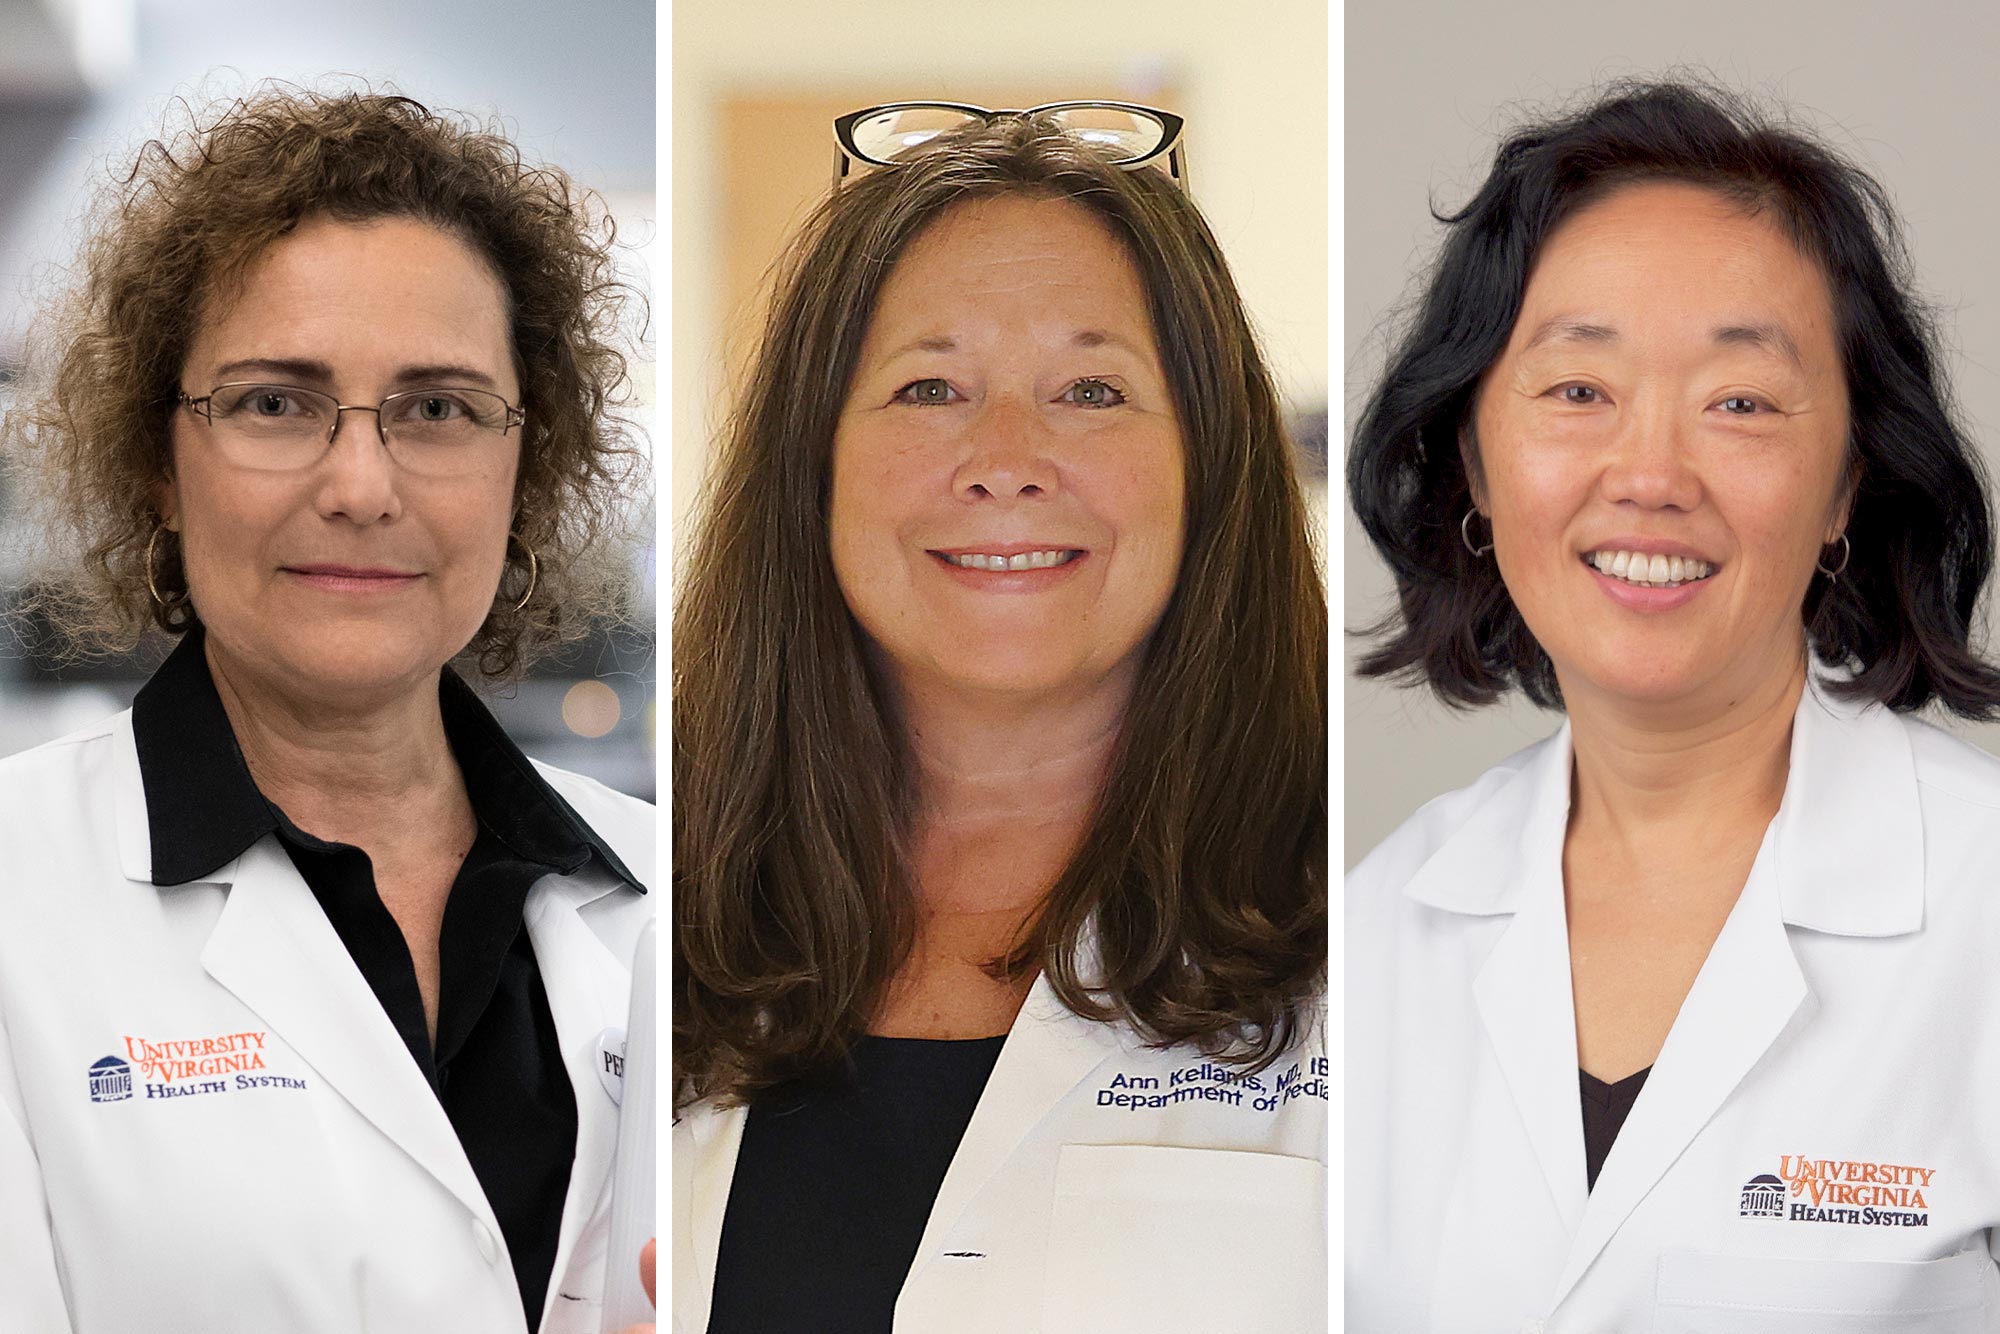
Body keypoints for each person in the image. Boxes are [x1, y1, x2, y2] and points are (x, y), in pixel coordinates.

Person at [1347, 79, 2000, 1330]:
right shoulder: (1375, 931)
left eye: (1739, 403)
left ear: (1846, 485)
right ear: (1473, 460)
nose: (1648, 477)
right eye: (1576, 390)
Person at [0, 87, 656, 1332]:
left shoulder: (666, 895)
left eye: (438, 408)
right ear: (160, 461)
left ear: (528, 464)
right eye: (273, 402)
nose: (361, 484)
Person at [672, 104, 1327, 1332]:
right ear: (808, 468)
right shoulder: (647, 925)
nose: (1007, 457)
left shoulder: (1373, 931)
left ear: (1211, 463)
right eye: (929, 387)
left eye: (1090, 388)